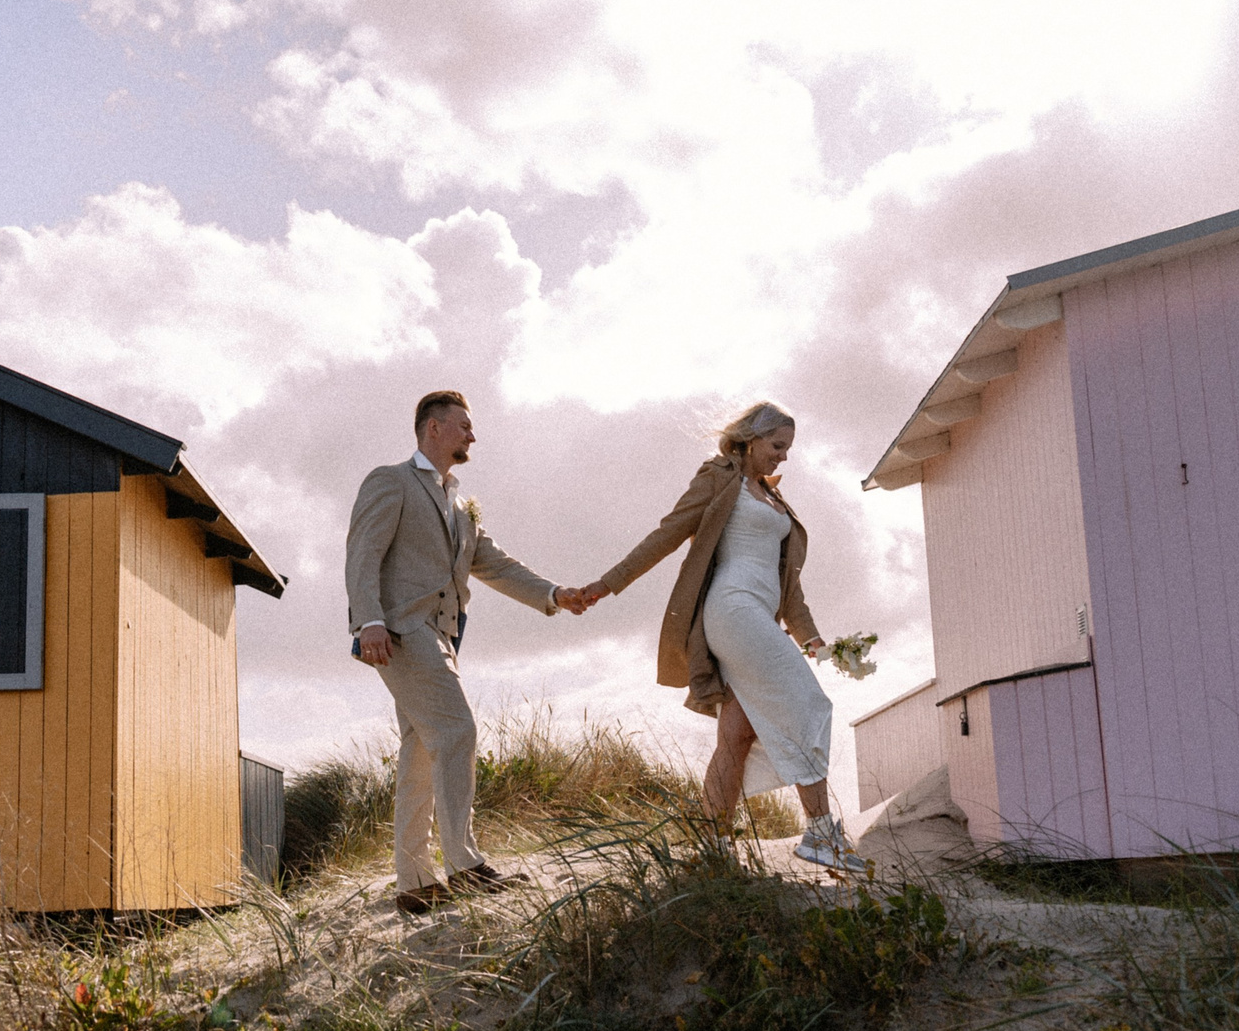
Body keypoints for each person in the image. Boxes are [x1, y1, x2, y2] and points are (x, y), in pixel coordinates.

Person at [564, 402, 868, 875]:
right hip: (732, 609)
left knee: (738, 735)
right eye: (777, 446)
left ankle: (713, 848)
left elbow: (790, 587)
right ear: (750, 439)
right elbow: (667, 534)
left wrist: (815, 643)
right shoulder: (718, 477)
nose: (783, 457)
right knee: (809, 705)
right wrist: (608, 583)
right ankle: (821, 835)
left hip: (761, 618)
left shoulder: (772, 498)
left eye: (788, 448)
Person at [347, 390, 583, 914]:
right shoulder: (390, 481)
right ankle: (466, 866)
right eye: (464, 426)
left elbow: (494, 562)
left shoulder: (459, 501)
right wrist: (369, 622)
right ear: (433, 428)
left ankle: (413, 881)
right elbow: (362, 554)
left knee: (422, 749)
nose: (473, 436)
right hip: (402, 632)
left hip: (445, 636)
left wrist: (553, 594)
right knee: (458, 731)